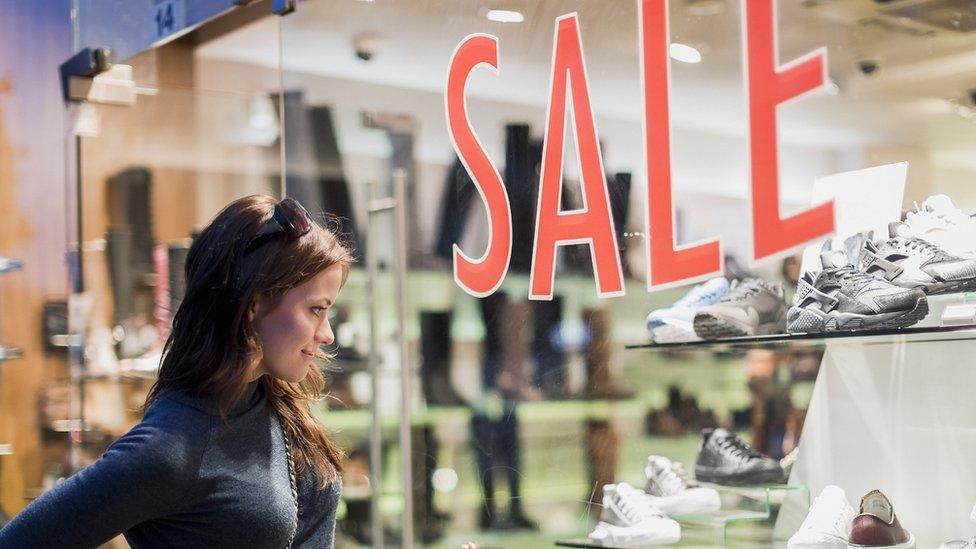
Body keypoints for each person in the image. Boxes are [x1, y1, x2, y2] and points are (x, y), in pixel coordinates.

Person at [0, 195, 352, 548]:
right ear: (253, 305)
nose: (327, 335)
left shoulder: (275, 402)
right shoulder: (173, 445)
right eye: (315, 310)